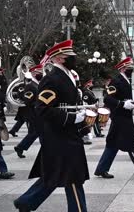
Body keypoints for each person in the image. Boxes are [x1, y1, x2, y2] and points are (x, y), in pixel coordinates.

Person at [14, 39, 90, 212]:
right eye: (69, 56)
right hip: (59, 136)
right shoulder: (52, 79)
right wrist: (72, 118)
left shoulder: (67, 76)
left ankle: (26, 203)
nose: (73, 58)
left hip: (66, 135)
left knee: (53, 176)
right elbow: (42, 109)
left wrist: (83, 117)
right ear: (58, 58)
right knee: (72, 177)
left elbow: (66, 104)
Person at [95, 57, 134, 180]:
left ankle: (101, 169)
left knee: (112, 145)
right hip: (121, 118)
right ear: (122, 68)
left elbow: (129, 100)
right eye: (129, 67)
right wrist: (122, 104)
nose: (131, 69)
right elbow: (108, 99)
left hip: (123, 117)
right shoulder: (116, 81)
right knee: (132, 145)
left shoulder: (126, 80)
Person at [14, 64, 44, 158]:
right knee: (37, 132)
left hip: (37, 114)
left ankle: (20, 147)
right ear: (34, 73)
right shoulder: (30, 86)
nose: (42, 74)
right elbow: (27, 101)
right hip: (32, 115)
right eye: (40, 72)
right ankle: (21, 147)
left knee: (35, 133)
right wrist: (39, 104)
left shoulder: (38, 85)